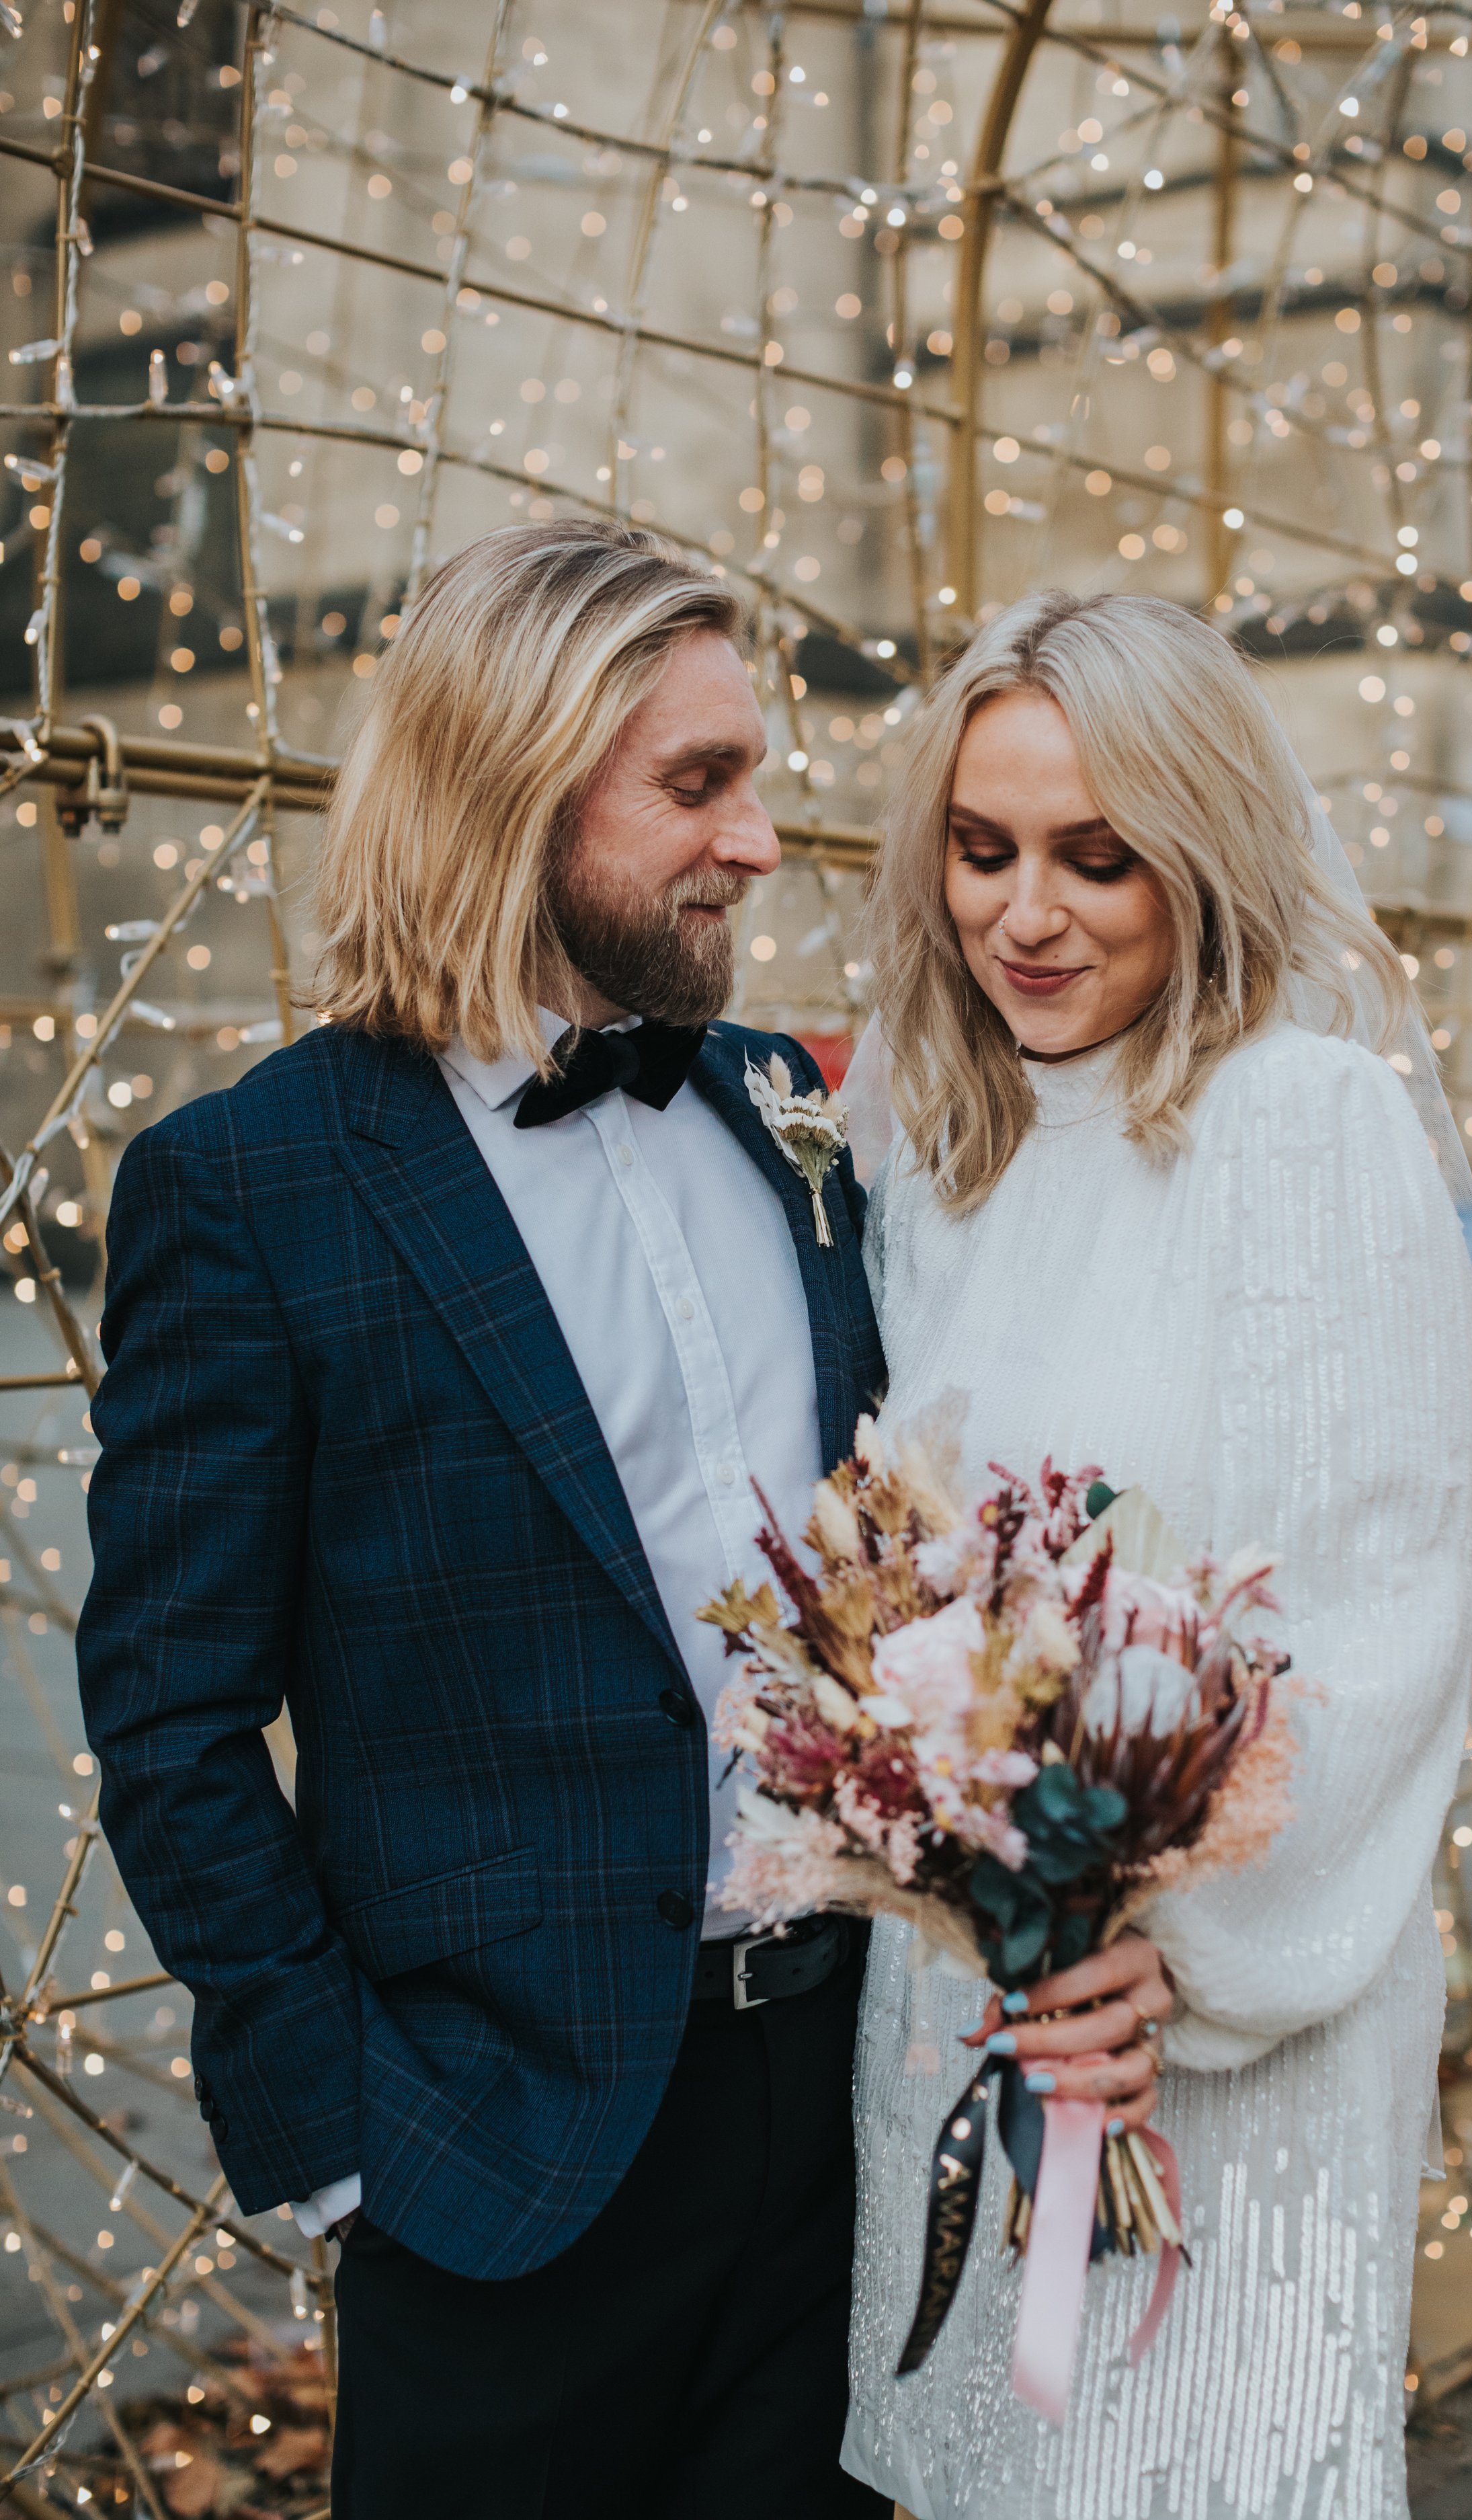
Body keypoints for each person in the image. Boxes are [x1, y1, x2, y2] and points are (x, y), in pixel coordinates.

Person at [76, 520, 893, 2519]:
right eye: (698, 785)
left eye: (755, 775)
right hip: (500, 2161)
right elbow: (170, 1717)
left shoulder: (791, 1106)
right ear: (517, 786)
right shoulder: (254, 1185)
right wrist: (348, 2131)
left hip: (846, 2102)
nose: (762, 839)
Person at [840, 591, 1472, 2519]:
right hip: (967, 2010)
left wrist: (1154, 1958)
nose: (1024, 912)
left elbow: (1374, 1623)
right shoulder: (940, 1138)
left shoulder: (1301, 1126)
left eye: (1093, 856)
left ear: (1194, 851)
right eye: (982, 849)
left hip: (1225, 2030)